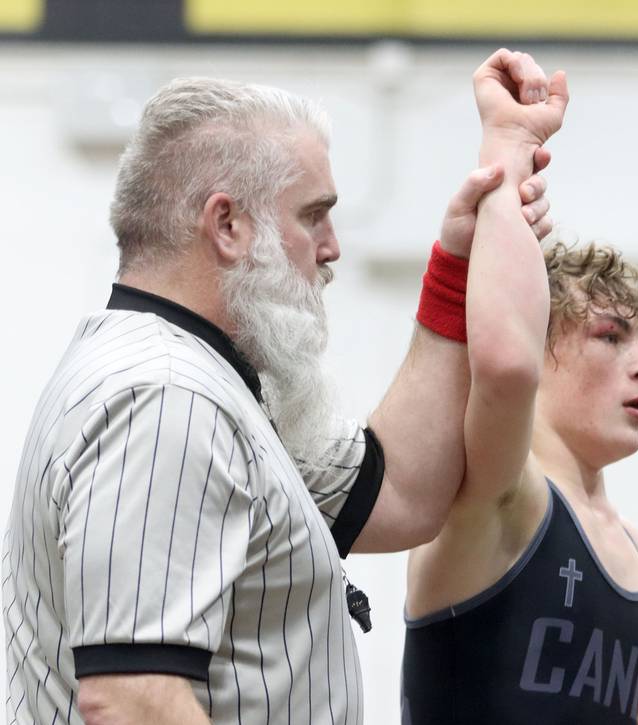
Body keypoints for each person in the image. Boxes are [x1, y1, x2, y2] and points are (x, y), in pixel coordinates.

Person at [2, 52, 556, 724]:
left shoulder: (207, 384)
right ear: (227, 225)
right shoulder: (167, 397)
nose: (332, 247)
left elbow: (400, 492)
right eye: (313, 215)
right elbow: (131, 699)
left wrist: (457, 264)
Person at [402, 52, 638, 724]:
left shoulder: (629, 544)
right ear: (540, 346)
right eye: (611, 336)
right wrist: (511, 144)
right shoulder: (497, 497)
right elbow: (500, 364)